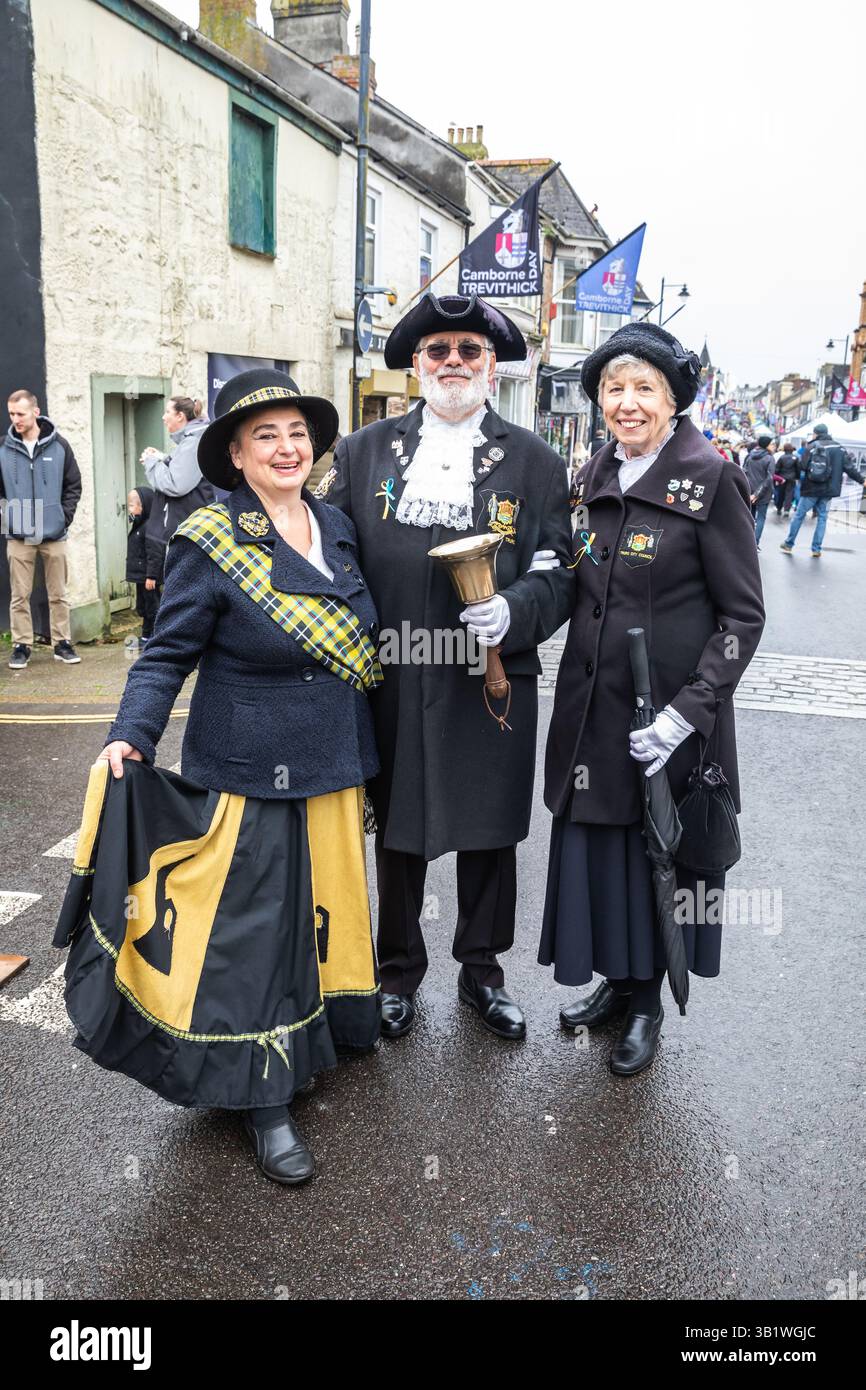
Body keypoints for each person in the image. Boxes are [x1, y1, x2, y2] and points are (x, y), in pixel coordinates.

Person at [59, 369, 382, 1185]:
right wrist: (128, 735)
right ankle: (261, 1099)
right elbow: (166, 653)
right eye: (265, 436)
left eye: (298, 434)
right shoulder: (208, 540)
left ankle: (318, 1041)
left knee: (323, 916)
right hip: (249, 767)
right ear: (236, 455)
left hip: (333, 763)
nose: (286, 448)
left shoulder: (336, 526)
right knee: (255, 940)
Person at [325, 292, 575, 1042]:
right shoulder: (362, 452)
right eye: (439, 352)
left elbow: (559, 566)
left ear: (491, 366)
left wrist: (518, 610)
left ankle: (482, 972)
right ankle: (396, 973)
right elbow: (333, 552)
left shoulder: (535, 461)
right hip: (394, 671)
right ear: (418, 366)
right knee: (397, 826)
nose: (454, 364)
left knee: (491, 828)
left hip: (492, 678)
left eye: (470, 351)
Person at [541, 323, 765, 1076]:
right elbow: (587, 572)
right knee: (607, 849)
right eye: (614, 388)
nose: (627, 403)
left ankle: (646, 1008)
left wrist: (687, 711)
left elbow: (743, 617)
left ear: (673, 401)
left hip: (669, 717)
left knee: (657, 860)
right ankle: (617, 980)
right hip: (594, 709)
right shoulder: (601, 465)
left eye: (644, 389)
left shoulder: (711, 476)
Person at [1, 388, 82, 668]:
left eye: (20, 413)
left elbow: (73, 485)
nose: (15, 419)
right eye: (11, 414)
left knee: (58, 592)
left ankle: (62, 643)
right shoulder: (4, 448)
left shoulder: (59, 445)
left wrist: (63, 517)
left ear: (35, 412)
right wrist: (8, 517)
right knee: (19, 595)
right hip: (19, 535)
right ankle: (22, 646)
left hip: (53, 533)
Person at [141, 396, 213, 580]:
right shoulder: (191, 440)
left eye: (167, 412)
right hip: (191, 530)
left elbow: (176, 485)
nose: (163, 417)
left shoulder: (192, 442)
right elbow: (184, 471)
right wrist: (162, 458)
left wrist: (152, 463)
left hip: (191, 532)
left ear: (180, 416)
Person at [781, 422, 866, 557]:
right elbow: (849, 468)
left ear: (815, 433)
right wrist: (862, 481)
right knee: (822, 518)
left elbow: (803, 466)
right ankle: (816, 548)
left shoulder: (811, 447)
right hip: (829, 490)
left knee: (799, 516)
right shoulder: (839, 448)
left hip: (811, 488)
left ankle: (788, 544)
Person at [125, 486, 159, 647]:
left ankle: (155, 636)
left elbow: (154, 553)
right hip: (140, 576)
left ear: (144, 506)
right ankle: (146, 636)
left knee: (153, 607)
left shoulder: (149, 528)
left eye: (132, 505)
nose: (129, 508)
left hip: (148, 578)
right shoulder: (138, 525)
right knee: (144, 607)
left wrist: (151, 575)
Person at [743, 434, 775, 548]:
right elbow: (769, 478)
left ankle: (747, 541)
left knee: (749, 518)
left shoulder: (750, 456)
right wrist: (758, 493)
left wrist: (750, 492)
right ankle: (755, 543)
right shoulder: (769, 458)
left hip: (749, 491)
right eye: (772, 444)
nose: (774, 446)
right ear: (766, 445)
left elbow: (744, 473)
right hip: (764, 493)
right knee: (761, 518)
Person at [773, 441, 799, 516]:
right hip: (792, 478)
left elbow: (777, 469)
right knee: (789, 494)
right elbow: (798, 469)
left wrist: (777, 478)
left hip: (782, 478)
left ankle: (779, 507)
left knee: (781, 493)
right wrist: (797, 477)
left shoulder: (782, 458)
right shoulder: (795, 458)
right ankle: (786, 510)